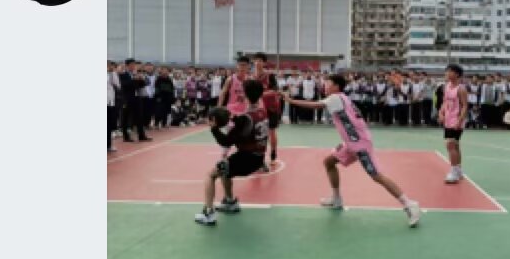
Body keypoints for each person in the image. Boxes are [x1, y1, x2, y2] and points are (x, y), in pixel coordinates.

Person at [286, 67, 421, 226]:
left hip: (359, 144)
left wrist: (290, 101)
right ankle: (336, 199)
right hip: (351, 143)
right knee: (329, 162)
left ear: (336, 86)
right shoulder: (343, 97)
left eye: (328, 83)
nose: (325, 86)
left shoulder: (335, 97)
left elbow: (316, 106)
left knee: (377, 176)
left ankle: (409, 204)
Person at [194, 84, 269, 224]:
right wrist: (234, 118)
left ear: (245, 96)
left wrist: (214, 128)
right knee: (226, 169)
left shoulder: (245, 119)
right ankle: (230, 202)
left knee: (210, 175)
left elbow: (226, 142)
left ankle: (208, 213)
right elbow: (247, 127)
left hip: (246, 159)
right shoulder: (262, 112)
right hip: (258, 158)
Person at [438, 62, 469, 183]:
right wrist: (441, 113)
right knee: (455, 145)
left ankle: (454, 172)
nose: (447, 73)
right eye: (447, 71)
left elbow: (465, 106)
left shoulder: (461, 89)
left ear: (456, 74)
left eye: (449, 71)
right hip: (448, 119)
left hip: (456, 120)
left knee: (450, 144)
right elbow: (445, 102)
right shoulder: (446, 86)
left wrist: (459, 121)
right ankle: (458, 170)